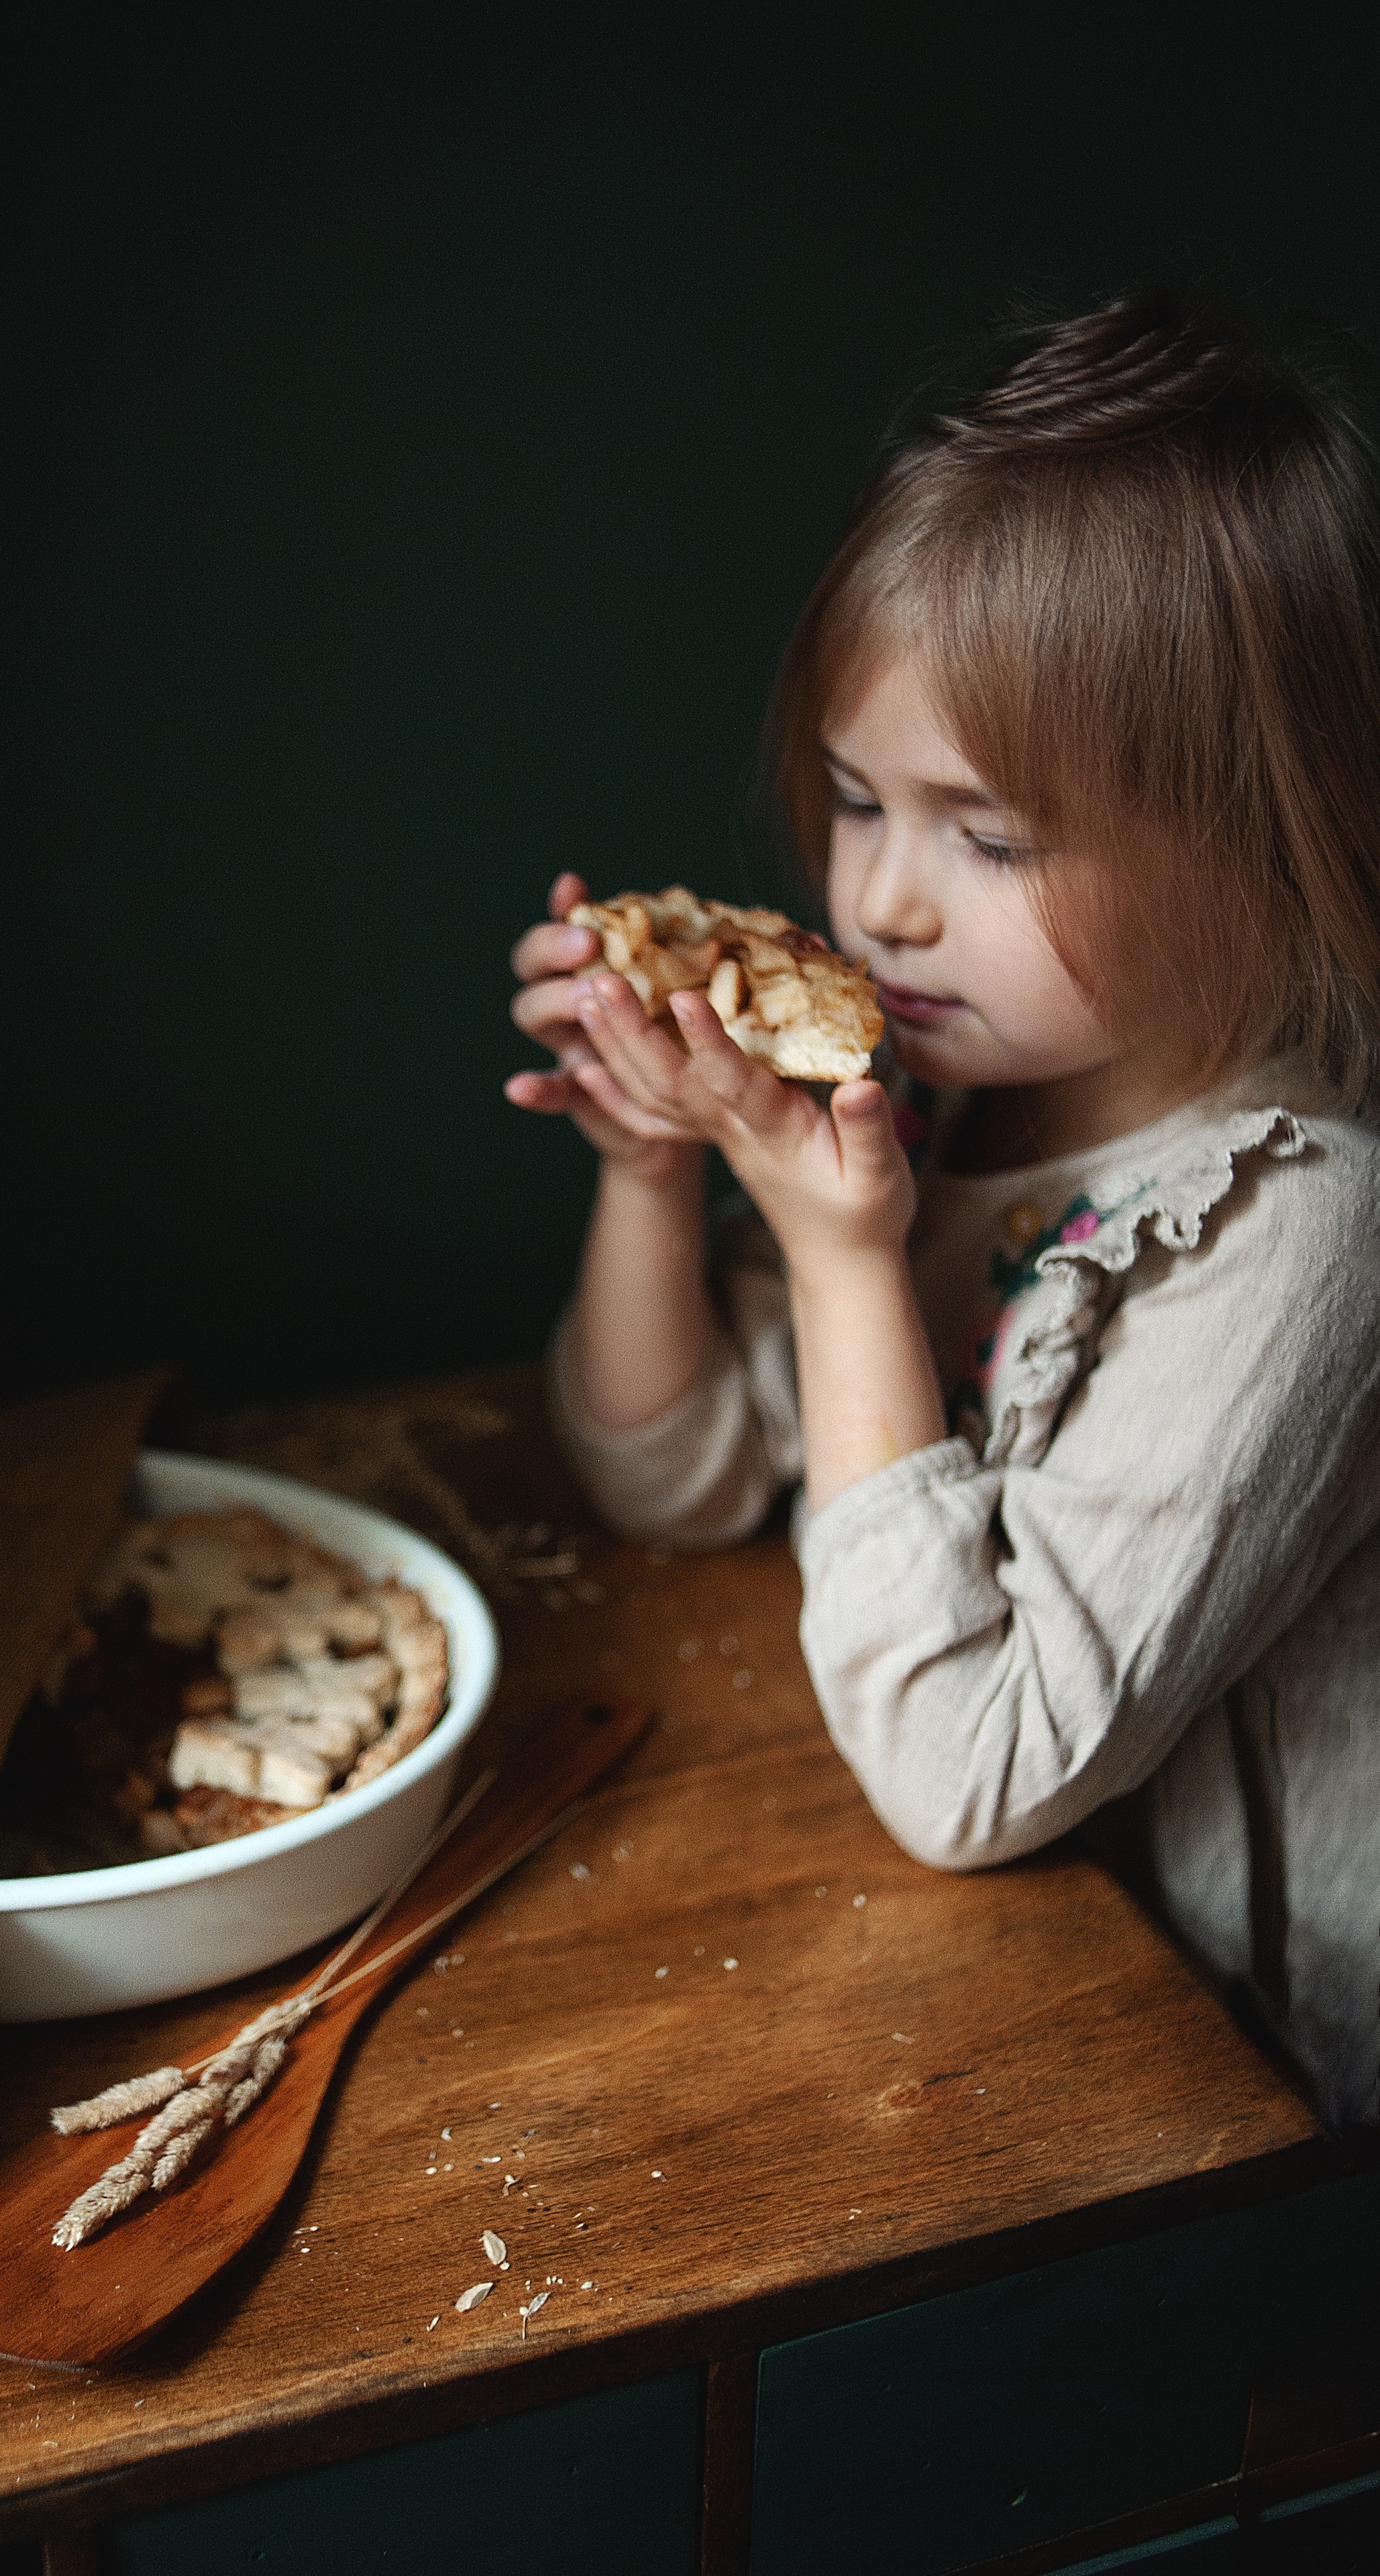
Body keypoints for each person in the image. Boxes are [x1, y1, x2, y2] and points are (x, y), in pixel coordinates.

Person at [505, 289, 1380, 2135]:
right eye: (851, 800)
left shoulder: (1298, 1238)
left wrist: (840, 1257)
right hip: (989, 2026)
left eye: (986, 838)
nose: (885, 904)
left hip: (1248, 2121)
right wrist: (662, 1171)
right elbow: (673, 1479)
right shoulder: (938, 1081)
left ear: (1260, 838)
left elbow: (969, 1773)